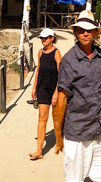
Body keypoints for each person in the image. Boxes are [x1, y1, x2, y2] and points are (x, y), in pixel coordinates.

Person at [53, 10, 101, 182]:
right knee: (75, 179)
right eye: (81, 29)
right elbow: (62, 99)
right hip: (77, 133)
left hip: (99, 131)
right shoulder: (69, 61)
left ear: (96, 32)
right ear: (75, 32)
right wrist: (59, 137)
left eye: (89, 29)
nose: (85, 33)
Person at [29, 28, 62, 160]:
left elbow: (61, 74)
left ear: (52, 38)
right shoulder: (40, 52)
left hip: (54, 88)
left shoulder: (57, 53)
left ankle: (60, 142)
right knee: (42, 117)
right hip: (42, 88)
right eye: (42, 38)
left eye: (46, 38)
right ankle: (39, 150)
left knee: (56, 118)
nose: (43, 40)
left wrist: (56, 92)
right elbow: (38, 70)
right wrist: (34, 87)